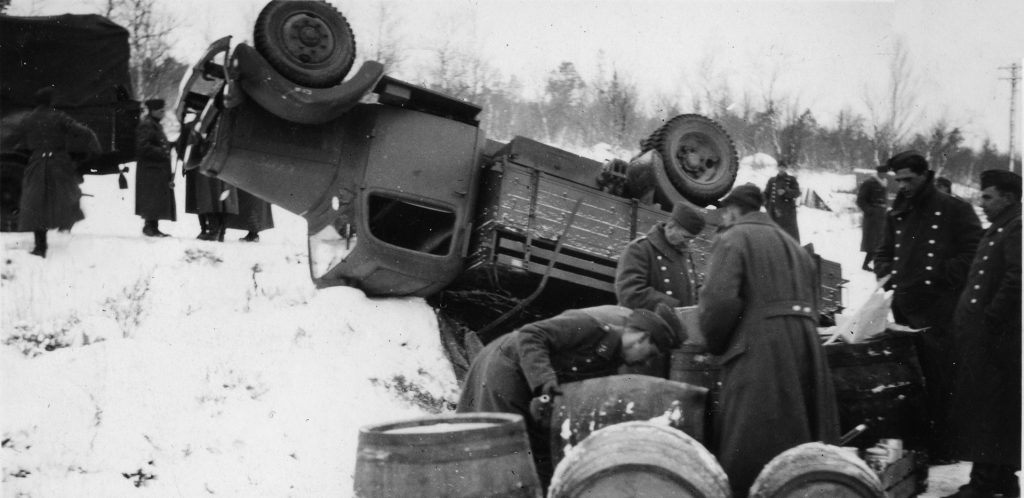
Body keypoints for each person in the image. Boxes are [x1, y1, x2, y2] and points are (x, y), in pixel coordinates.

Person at [698, 184, 839, 497]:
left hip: (761, 348)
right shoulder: (794, 245)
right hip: (805, 347)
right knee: (800, 439)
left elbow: (718, 302)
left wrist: (716, 345)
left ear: (733, 210)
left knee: (752, 440)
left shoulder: (733, 237)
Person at [456, 304, 683, 488]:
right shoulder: (592, 327)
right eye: (651, 354)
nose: (647, 362)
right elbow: (531, 335)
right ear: (641, 338)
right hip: (508, 366)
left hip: (530, 383)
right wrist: (544, 384)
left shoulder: (613, 358)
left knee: (537, 458)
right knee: (505, 451)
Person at [873, 150, 982, 464]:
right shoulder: (899, 208)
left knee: (942, 378)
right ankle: (922, 442)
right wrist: (885, 271)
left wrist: (939, 276)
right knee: (913, 377)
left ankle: (947, 447)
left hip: (940, 309)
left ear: (925, 175)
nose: (903, 185)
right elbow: (884, 250)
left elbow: (974, 252)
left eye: (909, 179)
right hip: (905, 307)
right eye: (899, 180)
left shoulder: (953, 209)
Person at [945, 170, 1021, 498]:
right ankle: (1001, 480)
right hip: (985, 334)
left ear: (1009, 196)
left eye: (988, 196)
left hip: (995, 336)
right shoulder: (1003, 226)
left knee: (989, 408)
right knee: (990, 407)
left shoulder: (1016, 226)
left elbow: (1018, 276)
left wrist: (991, 318)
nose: (982, 202)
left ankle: (984, 483)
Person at [6, 86, 98, 257]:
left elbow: (17, 141)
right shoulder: (58, 116)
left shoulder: (28, 119)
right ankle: (64, 227)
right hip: (59, 163)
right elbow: (82, 132)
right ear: (50, 101)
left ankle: (40, 246)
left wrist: (31, 150)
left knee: (35, 203)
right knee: (67, 196)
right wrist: (90, 146)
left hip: (37, 163)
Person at [615, 201, 705, 310]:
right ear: (671, 226)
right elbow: (630, 293)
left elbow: (694, 290)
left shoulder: (684, 253)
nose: (687, 243)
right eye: (685, 237)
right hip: (644, 321)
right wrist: (674, 307)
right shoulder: (640, 249)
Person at [135, 99, 176, 237]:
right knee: (152, 199)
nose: (163, 113)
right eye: (161, 111)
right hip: (151, 169)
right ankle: (150, 227)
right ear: (153, 111)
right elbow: (143, 146)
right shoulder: (147, 125)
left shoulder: (154, 124)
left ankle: (153, 227)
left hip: (155, 169)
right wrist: (163, 152)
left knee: (155, 199)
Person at [856, 165, 889, 271]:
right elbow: (860, 200)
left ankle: (873, 265)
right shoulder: (869, 183)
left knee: (880, 242)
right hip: (872, 218)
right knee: (873, 243)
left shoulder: (884, 182)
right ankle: (868, 265)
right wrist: (870, 210)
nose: (884, 175)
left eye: (886, 173)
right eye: (883, 173)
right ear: (878, 172)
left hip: (881, 217)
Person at [765, 160, 801, 241]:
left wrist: (786, 192)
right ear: (777, 168)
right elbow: (766, 194)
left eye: (783, 167)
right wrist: (767, 205)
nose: (781, 169)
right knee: (773, 232)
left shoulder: (791, 180)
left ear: (786, 168)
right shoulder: (772, 180)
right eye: (780, 167)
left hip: (787, 212)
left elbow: (797, 193)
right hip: (773, 212)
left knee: (788, 234)